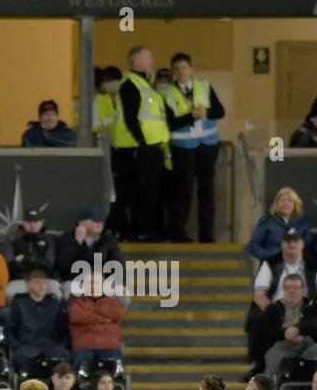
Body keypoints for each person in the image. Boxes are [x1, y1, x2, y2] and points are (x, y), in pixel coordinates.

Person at [111, 46, 170, 241]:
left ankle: (142, 230)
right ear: (136, 62)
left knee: (147, 192)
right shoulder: (131, 84)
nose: (152, 61)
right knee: (130, 191)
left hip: (150, 148)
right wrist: (142, 143)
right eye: (148, 58)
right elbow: (131, 118)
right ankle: (122, 229)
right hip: (134, 148)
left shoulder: (146, 85)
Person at [166, 53, 225, 243]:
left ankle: (207, 236)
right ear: (174, 72)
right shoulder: (168, 93)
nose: (181, 71)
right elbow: (170, 122)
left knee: (207, 191)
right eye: (177, 69)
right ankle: (179, 234)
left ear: (191, 70)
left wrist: (205, 112)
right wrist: (192, 116)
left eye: (184, 67)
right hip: (183, 148)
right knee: (183, 191)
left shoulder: (204, 86)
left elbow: (220, 111)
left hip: (207, 145)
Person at [251, 273, 317, 378]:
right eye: (288, 287)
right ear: (283, 289)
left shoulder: (313, 307)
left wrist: (299, 329)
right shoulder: (273, 309)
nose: (292, 291)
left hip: (308, 345)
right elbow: (264, 331)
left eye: (296, 288)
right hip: (281, 345)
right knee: (273, 358)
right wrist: (284, 333)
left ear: (303, 290)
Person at [5, 267, 69, 373]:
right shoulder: (19, 304)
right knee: (21, 358)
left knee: (64, 356)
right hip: (27, 345)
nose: (42, 286)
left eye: (44, 283)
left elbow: (63, 329)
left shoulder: (55, 304)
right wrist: (16, 346)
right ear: (28, 285)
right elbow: (9, 329)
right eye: (37, 282)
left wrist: (61, 345)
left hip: (51, 345)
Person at [67, 271, 127, 370]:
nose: (93, 286)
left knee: (116, 366)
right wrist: (105, 318)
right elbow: (76, 317)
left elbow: (118, 314)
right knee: (79, 363)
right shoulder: (76, 301)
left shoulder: (113, 301)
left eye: (96, 283)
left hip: (109, 345)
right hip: (84, 346)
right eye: (90, 283)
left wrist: (89, 315)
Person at [246, 188, 314, 262]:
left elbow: (308, 245)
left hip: (296, 265)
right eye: (283, 201)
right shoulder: (267, 221)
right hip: (272, 266)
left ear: (295, 204)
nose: (286, 204)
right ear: (277, 203)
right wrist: (268, 257)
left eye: (290, 201)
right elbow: (253, 246)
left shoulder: (302, 223)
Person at [2, 208, 56, 281]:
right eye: (29, 221)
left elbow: (49, 265)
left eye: (36, 221)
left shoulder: (48, 239)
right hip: (19, 278)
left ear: (42, 222)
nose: (32, 225)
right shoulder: (12, 238)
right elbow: (9, 265)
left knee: (55, 287)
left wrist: (25, 259)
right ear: (23, 222)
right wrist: (38, 261)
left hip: (43, 279)